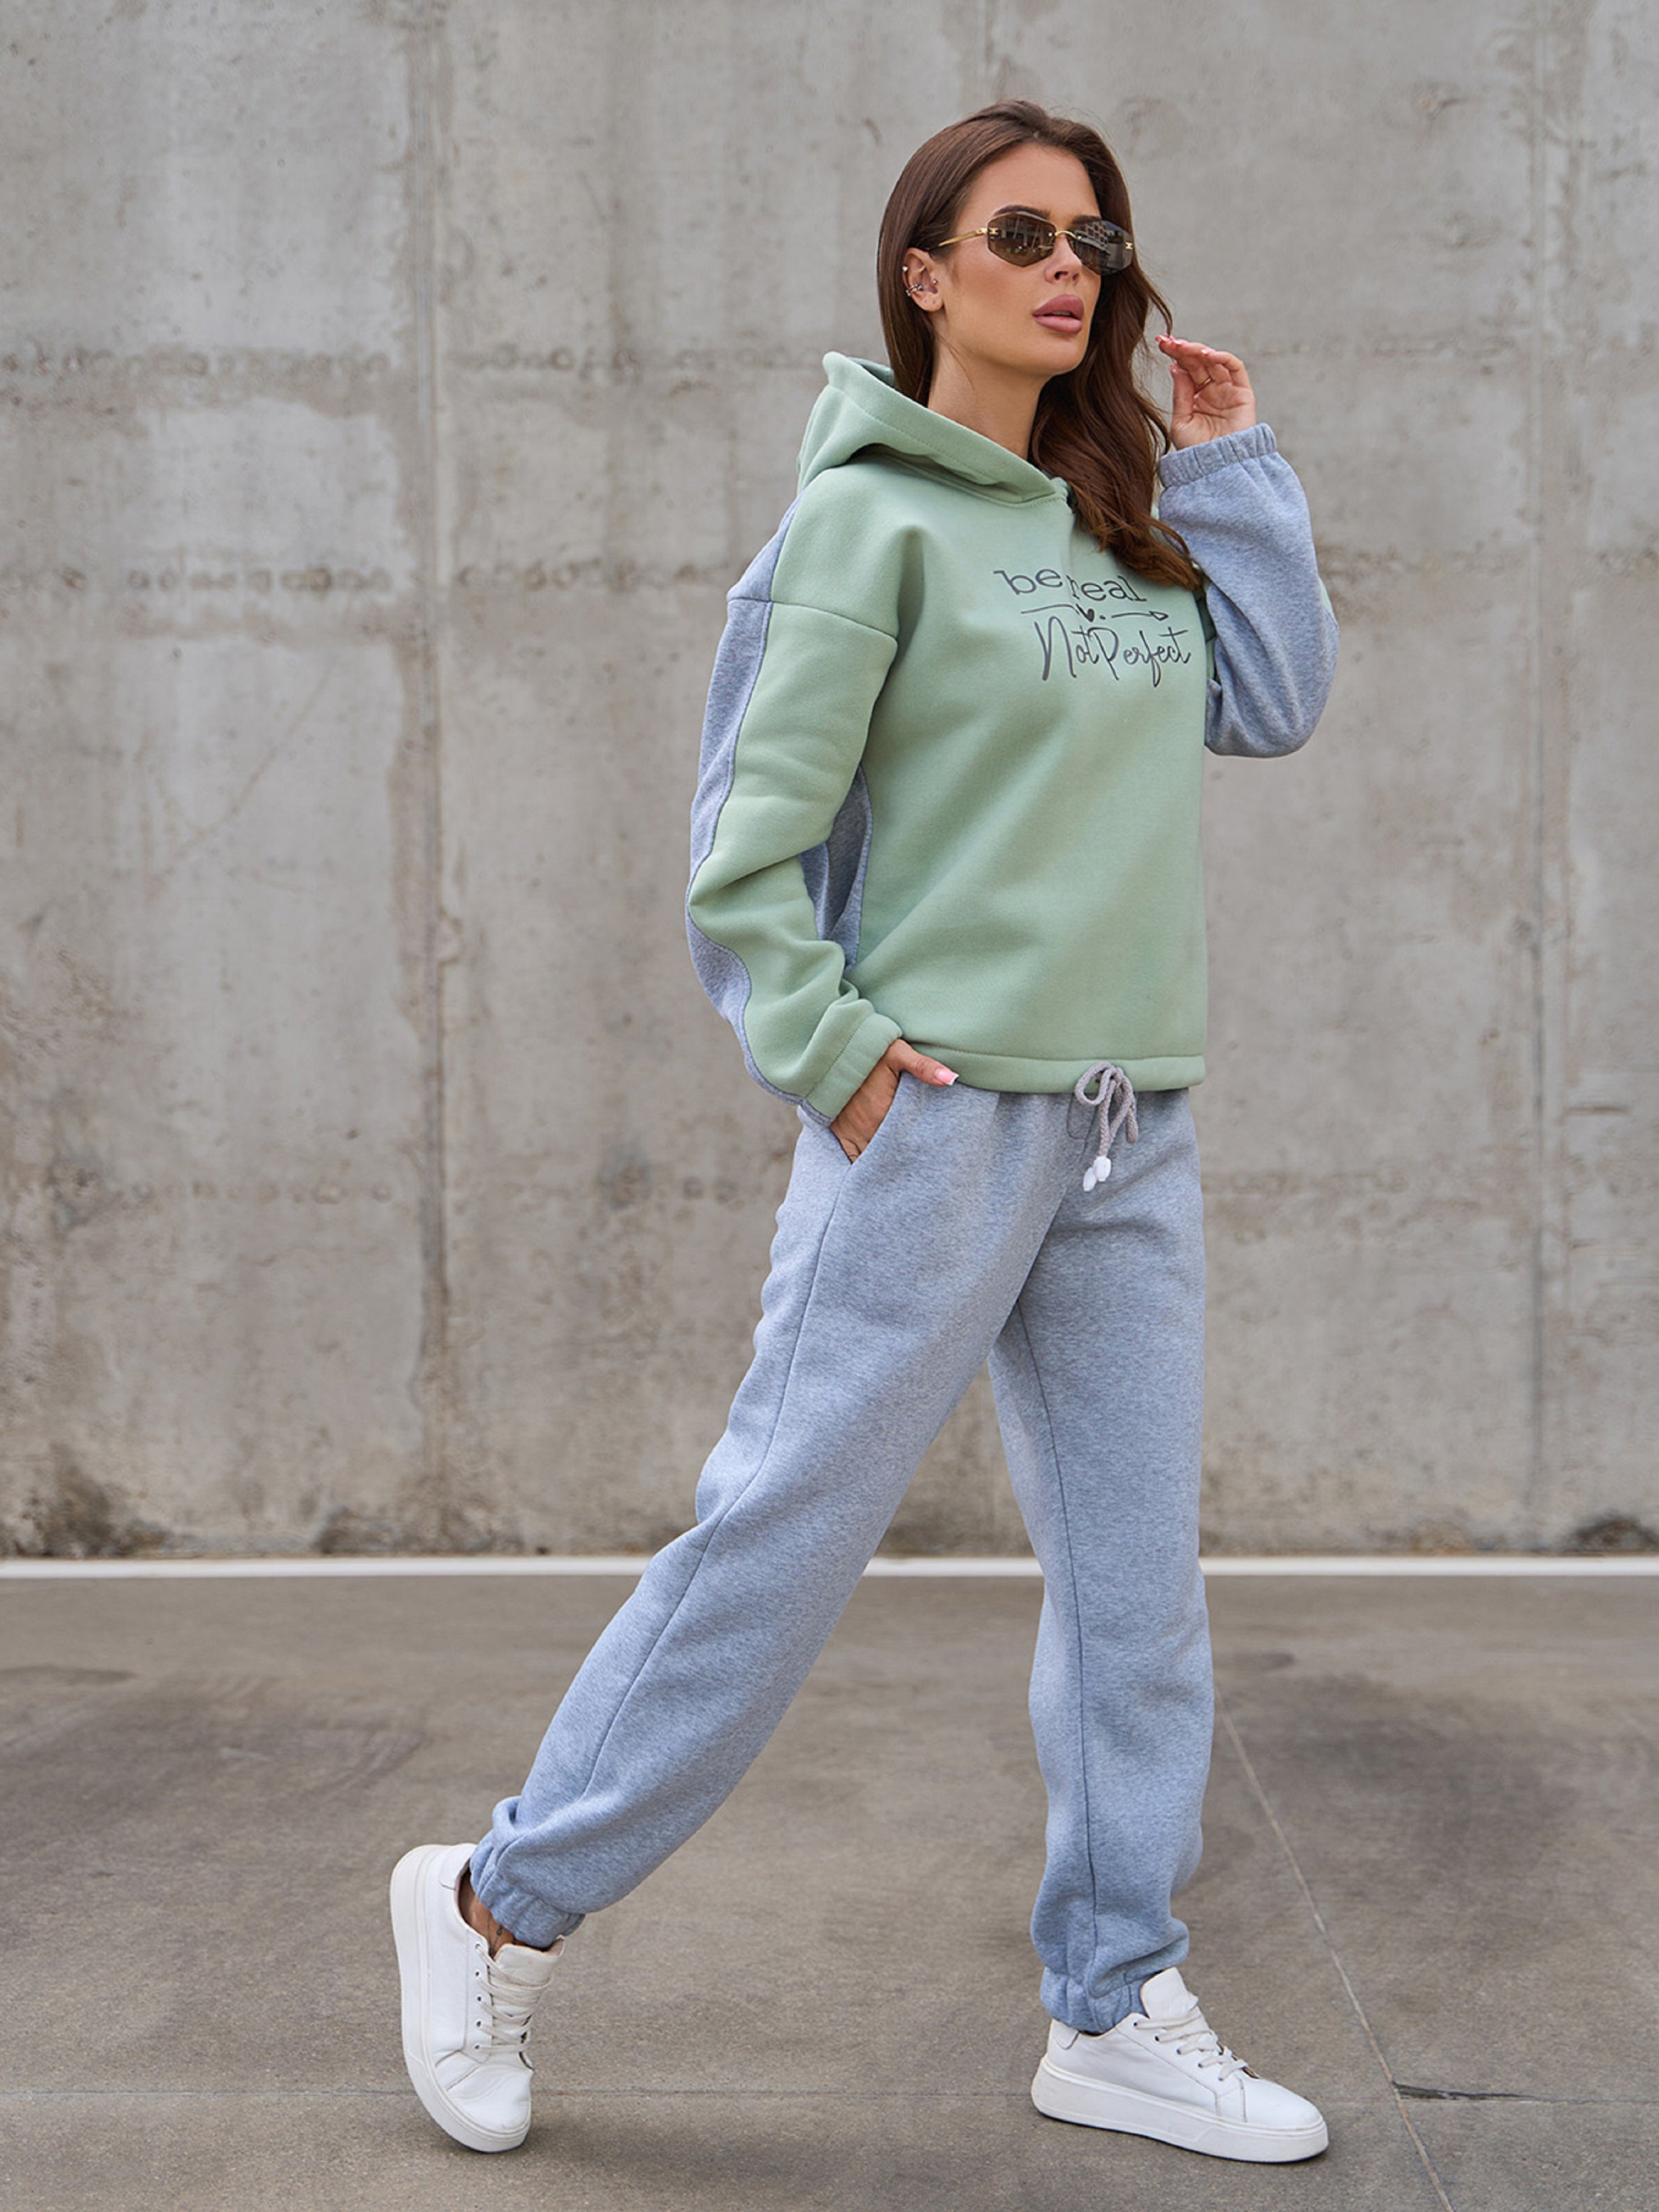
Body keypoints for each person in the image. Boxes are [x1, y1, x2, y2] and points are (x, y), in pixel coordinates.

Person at [390, 99, 1339, 2166]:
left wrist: (1228, 461)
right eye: (1021, 236)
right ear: (925, 274)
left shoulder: (1116, 513)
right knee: (777, 1549)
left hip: (1124, 1129)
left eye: (1093, 238)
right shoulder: (862, 524)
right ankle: (490, 1906)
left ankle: (1110, 2001)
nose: (1068, 269)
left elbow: (1266, 700)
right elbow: (744, 851)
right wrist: (829, 1059)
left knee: (1134, 1603)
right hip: (935, 1125)